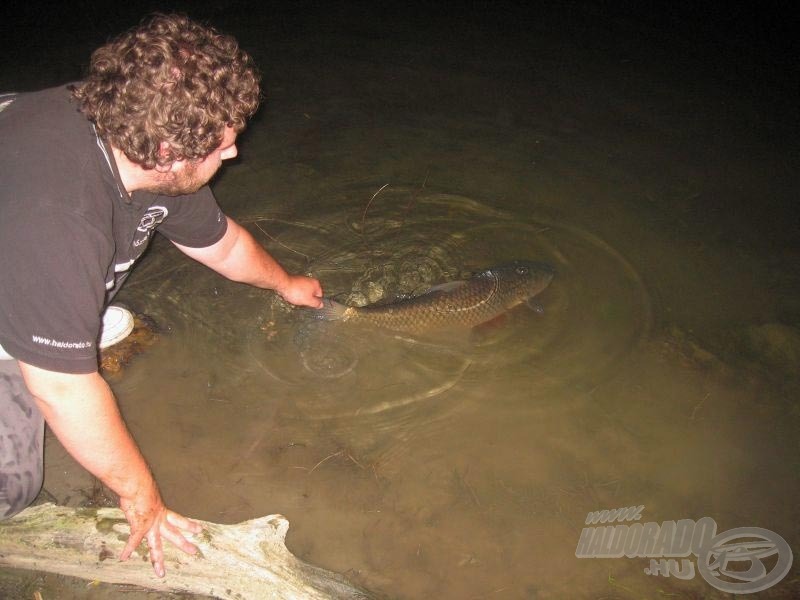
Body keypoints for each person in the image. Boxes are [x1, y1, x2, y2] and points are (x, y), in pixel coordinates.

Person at [0, 14, 323, 578]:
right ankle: (38, 332)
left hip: (33, 251)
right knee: (13, 484)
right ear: (169, 149)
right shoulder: (59, 221)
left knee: (59, 304)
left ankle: (59, 319)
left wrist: (288, 285)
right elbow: (62, 391)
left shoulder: (134, 134)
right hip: (27, 243)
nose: (232, 155)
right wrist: (141, 496)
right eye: (223, 146)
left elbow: (221, 245)